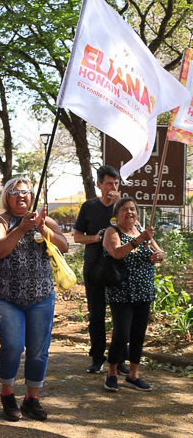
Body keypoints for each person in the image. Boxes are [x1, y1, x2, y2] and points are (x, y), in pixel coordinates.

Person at [0, 177, 68, 422]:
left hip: (41, 296)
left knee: (38, 351)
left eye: (26, 192)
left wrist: (42, 228)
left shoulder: (45, 221)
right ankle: (7, 393)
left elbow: (63, 246)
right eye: (15, 192)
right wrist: (21, 229)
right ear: (6, 197)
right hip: (4, 296)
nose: (21, 196)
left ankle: (32, 398)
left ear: (32, 196)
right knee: (12, 346)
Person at [101, 197, 164, 392]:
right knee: (121, 335)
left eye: (133, 209)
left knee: (138, 335)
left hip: (144, 291)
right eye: (125, 210)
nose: (130, 213)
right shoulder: (112, 231)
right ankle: (112, 372)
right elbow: (117, 253)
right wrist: (139, 240)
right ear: (117, 214)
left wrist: (159, 255)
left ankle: (133, 376)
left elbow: (159, 252)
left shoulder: (141, 230)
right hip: (122, 291)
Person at [74, 165, 129, 375]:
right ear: (99, 185)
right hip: (95, 269)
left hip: (119, 269)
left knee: (120, 316)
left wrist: (120, 206)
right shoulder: (88, 207)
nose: (113, 187)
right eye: (109, 184)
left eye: (116, 184)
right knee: (96, 315)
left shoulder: (124, 206)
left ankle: (120, 359)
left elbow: (136, 231)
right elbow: (77, 237)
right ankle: (97, 358)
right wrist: (96, 238)